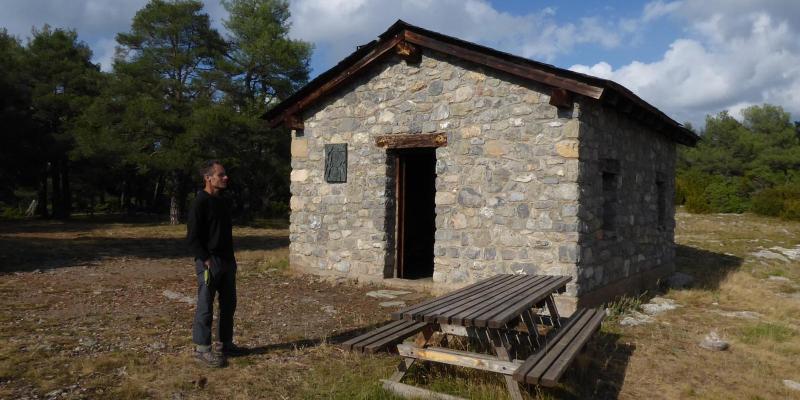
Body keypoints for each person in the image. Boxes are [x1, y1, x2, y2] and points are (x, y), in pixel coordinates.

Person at [187, 160, 242, 367]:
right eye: (221, 175)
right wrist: (206, 259)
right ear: (208, 178)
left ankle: (224, 344)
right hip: (209, 262)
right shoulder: (199, 202)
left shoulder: (222, 201)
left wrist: (231, 260)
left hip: (228, 261)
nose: (225, 177)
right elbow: (192, 237)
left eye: (225, 174)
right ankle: (202, 349)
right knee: (205, 306)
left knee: (229, 304)